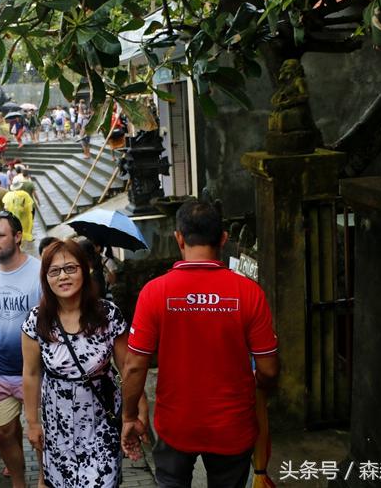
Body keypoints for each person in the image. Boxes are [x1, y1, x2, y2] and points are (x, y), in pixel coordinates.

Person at [121, 201, 280, 488]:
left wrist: (129, 415)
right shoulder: (249, 293)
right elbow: (268, 369)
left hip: (175, 425)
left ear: (178, 238)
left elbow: (134, 366)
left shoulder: (155, 293)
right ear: (222, 238)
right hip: (233, 426)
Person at [22, 239, 144, 487]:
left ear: (85, 270)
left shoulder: (108, 315)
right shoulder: (37, 320)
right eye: (54, 271)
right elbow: (31, 374)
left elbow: (128, 369)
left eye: (70, 268)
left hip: (102, 421)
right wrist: (33, 423)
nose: (62, 277)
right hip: (58, 425)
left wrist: (137, 411)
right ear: (46, 278)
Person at [0, 211, 43, 488]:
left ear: (17, 237)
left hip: (38, 371)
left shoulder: (39, 271)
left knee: (41, 434)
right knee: (3, 432)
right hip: (1, 370)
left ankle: (45, 477)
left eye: (0, 235)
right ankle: (19, 482)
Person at [3, 181, 35, 252]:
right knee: (22, 233)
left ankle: (15, 247)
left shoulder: (9, 195)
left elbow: (5, 207)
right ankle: (21, 248)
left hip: (13, 218)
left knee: (14, 232)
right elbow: (29, 207)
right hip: (23, 218)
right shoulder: (25, 195)